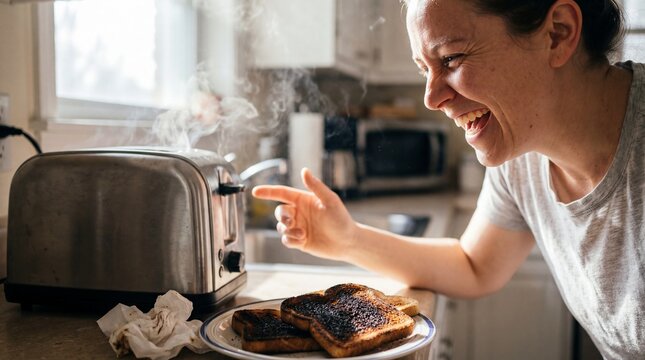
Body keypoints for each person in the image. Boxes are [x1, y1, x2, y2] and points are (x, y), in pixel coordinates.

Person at [252, 0, 644, 358]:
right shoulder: (521, 155)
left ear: (557, 33)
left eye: (451, 58)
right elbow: (475, 266)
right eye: (425, 69)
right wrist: (348, 238)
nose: (431, 97)